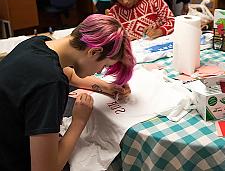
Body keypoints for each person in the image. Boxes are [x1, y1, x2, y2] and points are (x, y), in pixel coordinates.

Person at [0, 14, 135, 171]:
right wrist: (79, 121)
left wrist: (106, 87)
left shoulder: (37, 44)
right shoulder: (50, 83)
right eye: (104, 65)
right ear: (94, 52)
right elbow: (46, 169)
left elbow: (69, 74)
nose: (99, 71)